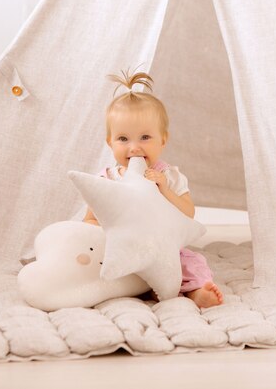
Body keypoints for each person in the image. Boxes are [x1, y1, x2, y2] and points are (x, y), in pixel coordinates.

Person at [83, 69, 223, 308]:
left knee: (192, 262)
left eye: (145, 137)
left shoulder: (168, 176)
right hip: (121, 248)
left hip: (162, 249)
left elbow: (188, 214)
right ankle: (120, 286)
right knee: (91, 264)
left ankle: (196, 292)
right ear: (110, 143)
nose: (134, 148)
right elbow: (90, 220)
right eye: (123, 139)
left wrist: (165, 189)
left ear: (163, 140)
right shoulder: (106, 179)